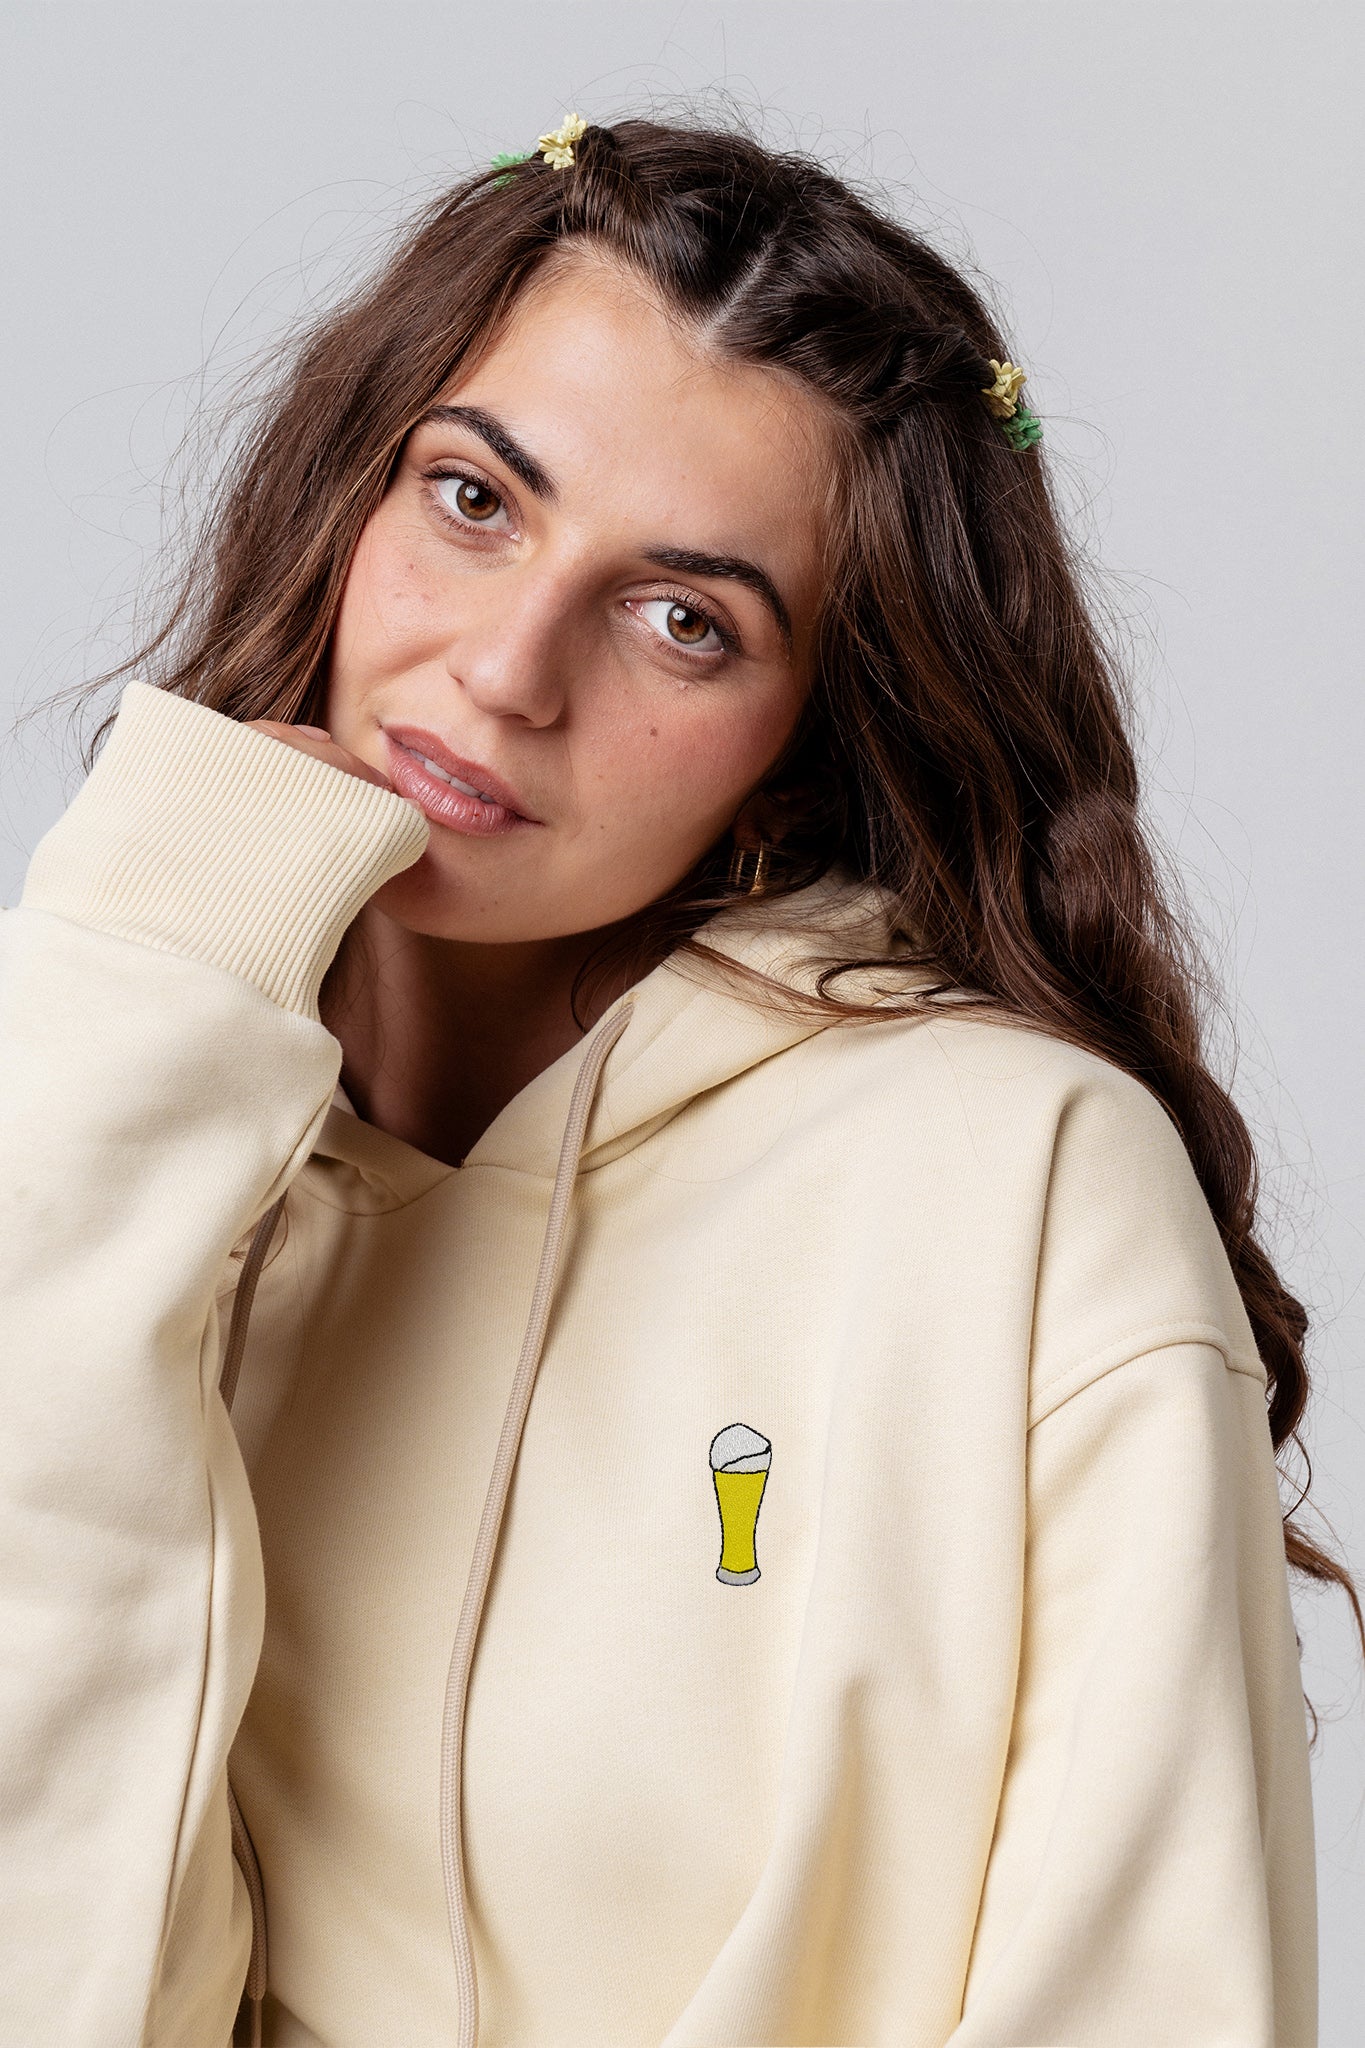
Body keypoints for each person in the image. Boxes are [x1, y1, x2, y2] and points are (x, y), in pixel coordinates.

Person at [0, 112, 1353, 2048]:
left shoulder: (1009, 1180)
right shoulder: (139, 1102)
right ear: (345, 492)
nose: (506, 669)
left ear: (804, 738)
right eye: (473, 499)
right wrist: (143, 979)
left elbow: (1150, 1997)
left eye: (683, 620)